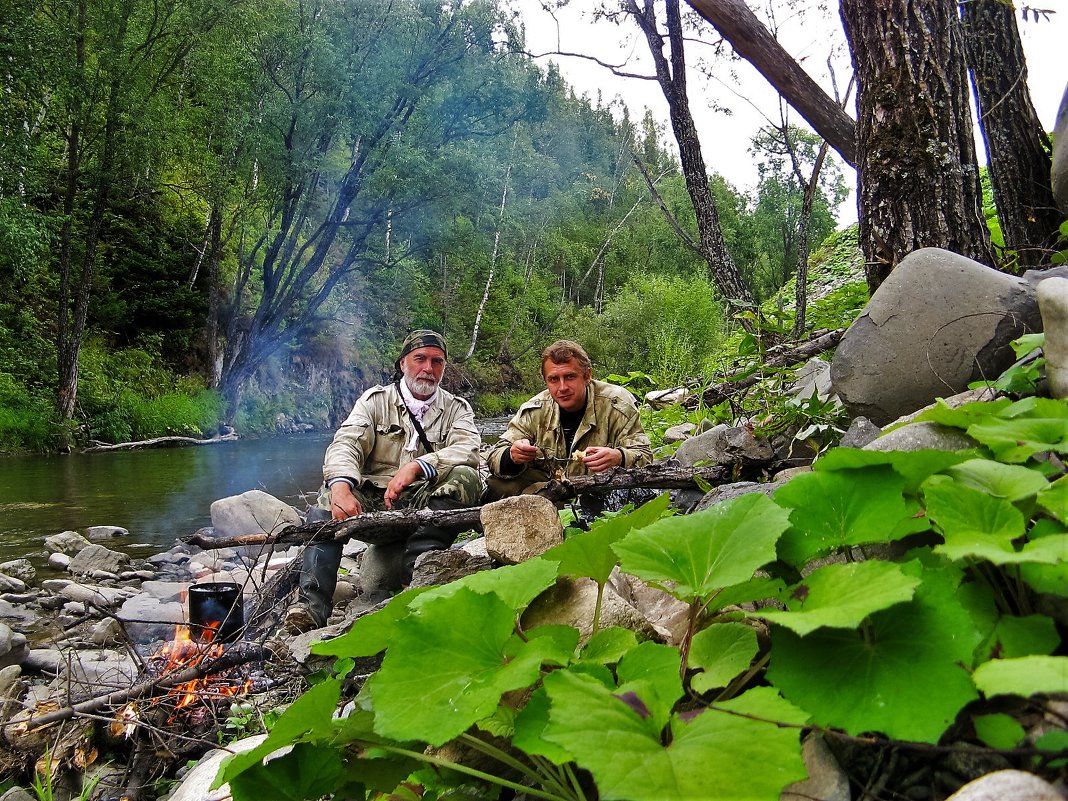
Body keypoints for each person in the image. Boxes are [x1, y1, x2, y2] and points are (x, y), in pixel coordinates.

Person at [283, 330, 482, 633]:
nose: (428, 368)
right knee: (326, 502)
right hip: (375, 506)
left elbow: (468, 449)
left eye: (437, 361)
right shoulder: (375, 401)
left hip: (427, 508)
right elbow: (346, 443)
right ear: (403, 364)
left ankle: (414, 579)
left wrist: (419, 465)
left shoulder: (457, 408)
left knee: (466, 477)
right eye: (420, 359)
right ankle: (310, 607)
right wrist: (340, 485)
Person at [485, 339, 652, 502]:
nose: (562, 387)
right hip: (548, 490)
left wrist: (619, 457)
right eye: (554, 379)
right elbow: (494, 456)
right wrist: (512, 457)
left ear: (587, 376)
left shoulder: (617, 404)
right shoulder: (534, 410)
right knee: (498, 485)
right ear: (546, 382)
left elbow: (645, 458)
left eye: (570, 377)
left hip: (598, 490)